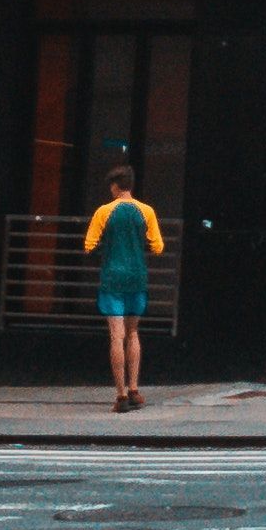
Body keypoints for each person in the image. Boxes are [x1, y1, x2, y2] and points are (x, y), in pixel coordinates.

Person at [81, 152, 165, 412]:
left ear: (115, 187)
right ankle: (135, 388)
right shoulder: (146, 211)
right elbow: (158, 247)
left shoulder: (104, 212)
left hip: (112, 278)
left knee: (116, 335)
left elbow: (89, 245)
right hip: (137, 277)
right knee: (133, 333)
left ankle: (120, 396)